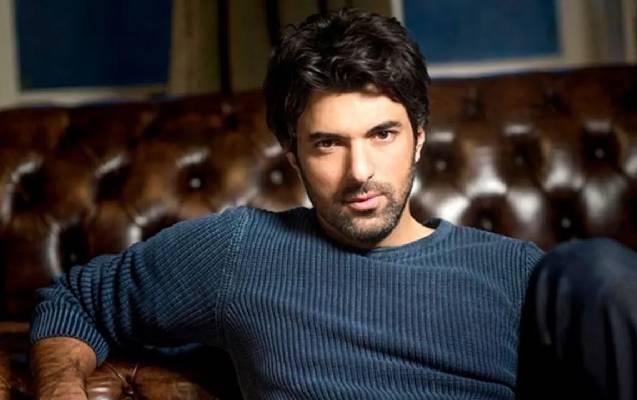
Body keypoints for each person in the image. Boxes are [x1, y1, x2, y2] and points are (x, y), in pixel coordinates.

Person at [29, 8, 636, 400]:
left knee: (596, 270)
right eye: (327, 144)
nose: (360, 172)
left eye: (383, 134)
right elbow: (76, 300)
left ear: (419, 139)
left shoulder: (517, 273)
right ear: (292, 156)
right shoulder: (237, 250)